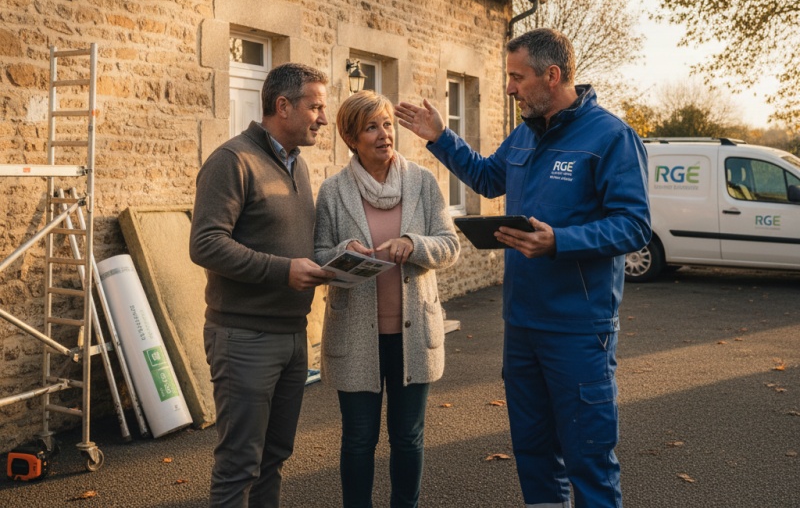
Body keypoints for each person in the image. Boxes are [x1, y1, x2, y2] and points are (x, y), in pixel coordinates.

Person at [395, 29, 650, 508]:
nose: (510, 88)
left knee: (588, 460)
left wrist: (560, 242)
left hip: (578, 329)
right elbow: (489, 178)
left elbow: (634, 226)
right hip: (522, 325)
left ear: (551, 77)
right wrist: (440, 137)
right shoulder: (524, 134)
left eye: (518, 77)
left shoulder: (611, 137)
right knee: (533, 454)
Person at [189, 62, 335, 508]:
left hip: (292, 337)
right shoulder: (232, 161)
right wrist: (282, 271)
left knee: (274, 458)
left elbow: (294, 243)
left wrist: (340, 256)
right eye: (316, 107)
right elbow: (206, 244)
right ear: (283, 105)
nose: (324, 119)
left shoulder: (300, 167)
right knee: (239, 465)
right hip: (244, 338)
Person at [314, 90, 460, 508]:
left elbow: (450, 246)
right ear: (351, 138)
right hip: (355, 335)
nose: (384, 135)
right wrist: (345, 252)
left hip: (413, 335)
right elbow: (319, 254)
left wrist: (414, 245)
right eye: (372, 127)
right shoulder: (333, 191)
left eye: (388, 125)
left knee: (408, 436)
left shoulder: (422, 182)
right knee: (358, 438)